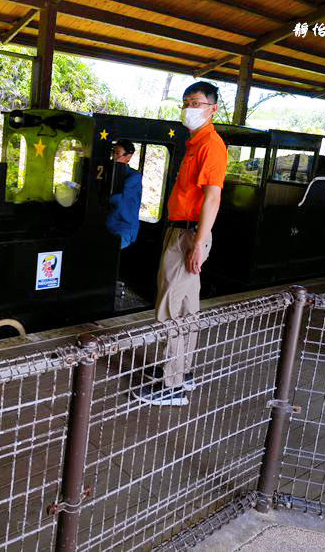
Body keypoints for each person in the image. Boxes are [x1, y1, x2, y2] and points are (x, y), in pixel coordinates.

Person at [133, 81, 227, 406]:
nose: (190, 108)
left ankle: (171, 387)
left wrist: (198, 244)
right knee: (187, 308)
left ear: (213, 108)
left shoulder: (210, 146)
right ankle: (181, 372)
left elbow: (212, 198)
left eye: (197, 102)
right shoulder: (193, 144)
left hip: (189, 235)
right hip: (184, 232)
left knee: (169, 308)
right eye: (187, 101)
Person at [105, 139, 142, 249]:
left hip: (123, 228)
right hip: (108, 224)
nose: (114, 157)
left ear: (129, 156)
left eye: (117, 154)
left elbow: (118, 198)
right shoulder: (108, 171)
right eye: (113, 153)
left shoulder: (134, 176)